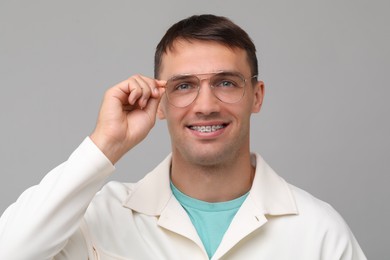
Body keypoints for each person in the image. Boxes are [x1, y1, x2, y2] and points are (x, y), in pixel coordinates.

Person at [0, 14, 366, 260]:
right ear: (159, 102)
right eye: (184, 86)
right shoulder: (100, 215)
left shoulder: (318, 230)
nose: (205, 105)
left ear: (257, 96)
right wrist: (106, 144)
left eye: (226, 82)